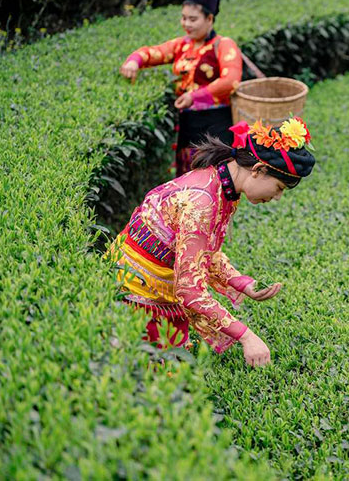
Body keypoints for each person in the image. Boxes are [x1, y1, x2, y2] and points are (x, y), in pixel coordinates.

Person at [108, 118, 315, 367]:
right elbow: (189, 290)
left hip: (152, 282)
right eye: (279, 187)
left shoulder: (222, 184)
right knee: (147, 375)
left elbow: (203, 251)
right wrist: (247, 337)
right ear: (258, 170)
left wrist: (244, 284)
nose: (277, 197)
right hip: (134, 290)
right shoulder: (202, 202)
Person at [119, 0, 243, 175]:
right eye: (184, 18)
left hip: (217, 125)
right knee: (187, 178)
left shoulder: (224, 44)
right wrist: (134, 61)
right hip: (188, 125)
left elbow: (231, 79)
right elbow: (154, 52)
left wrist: (195, 96)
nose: (186, 23)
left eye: (193, 19)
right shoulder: (181, 45)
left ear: (210, 19)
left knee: (216, 179)